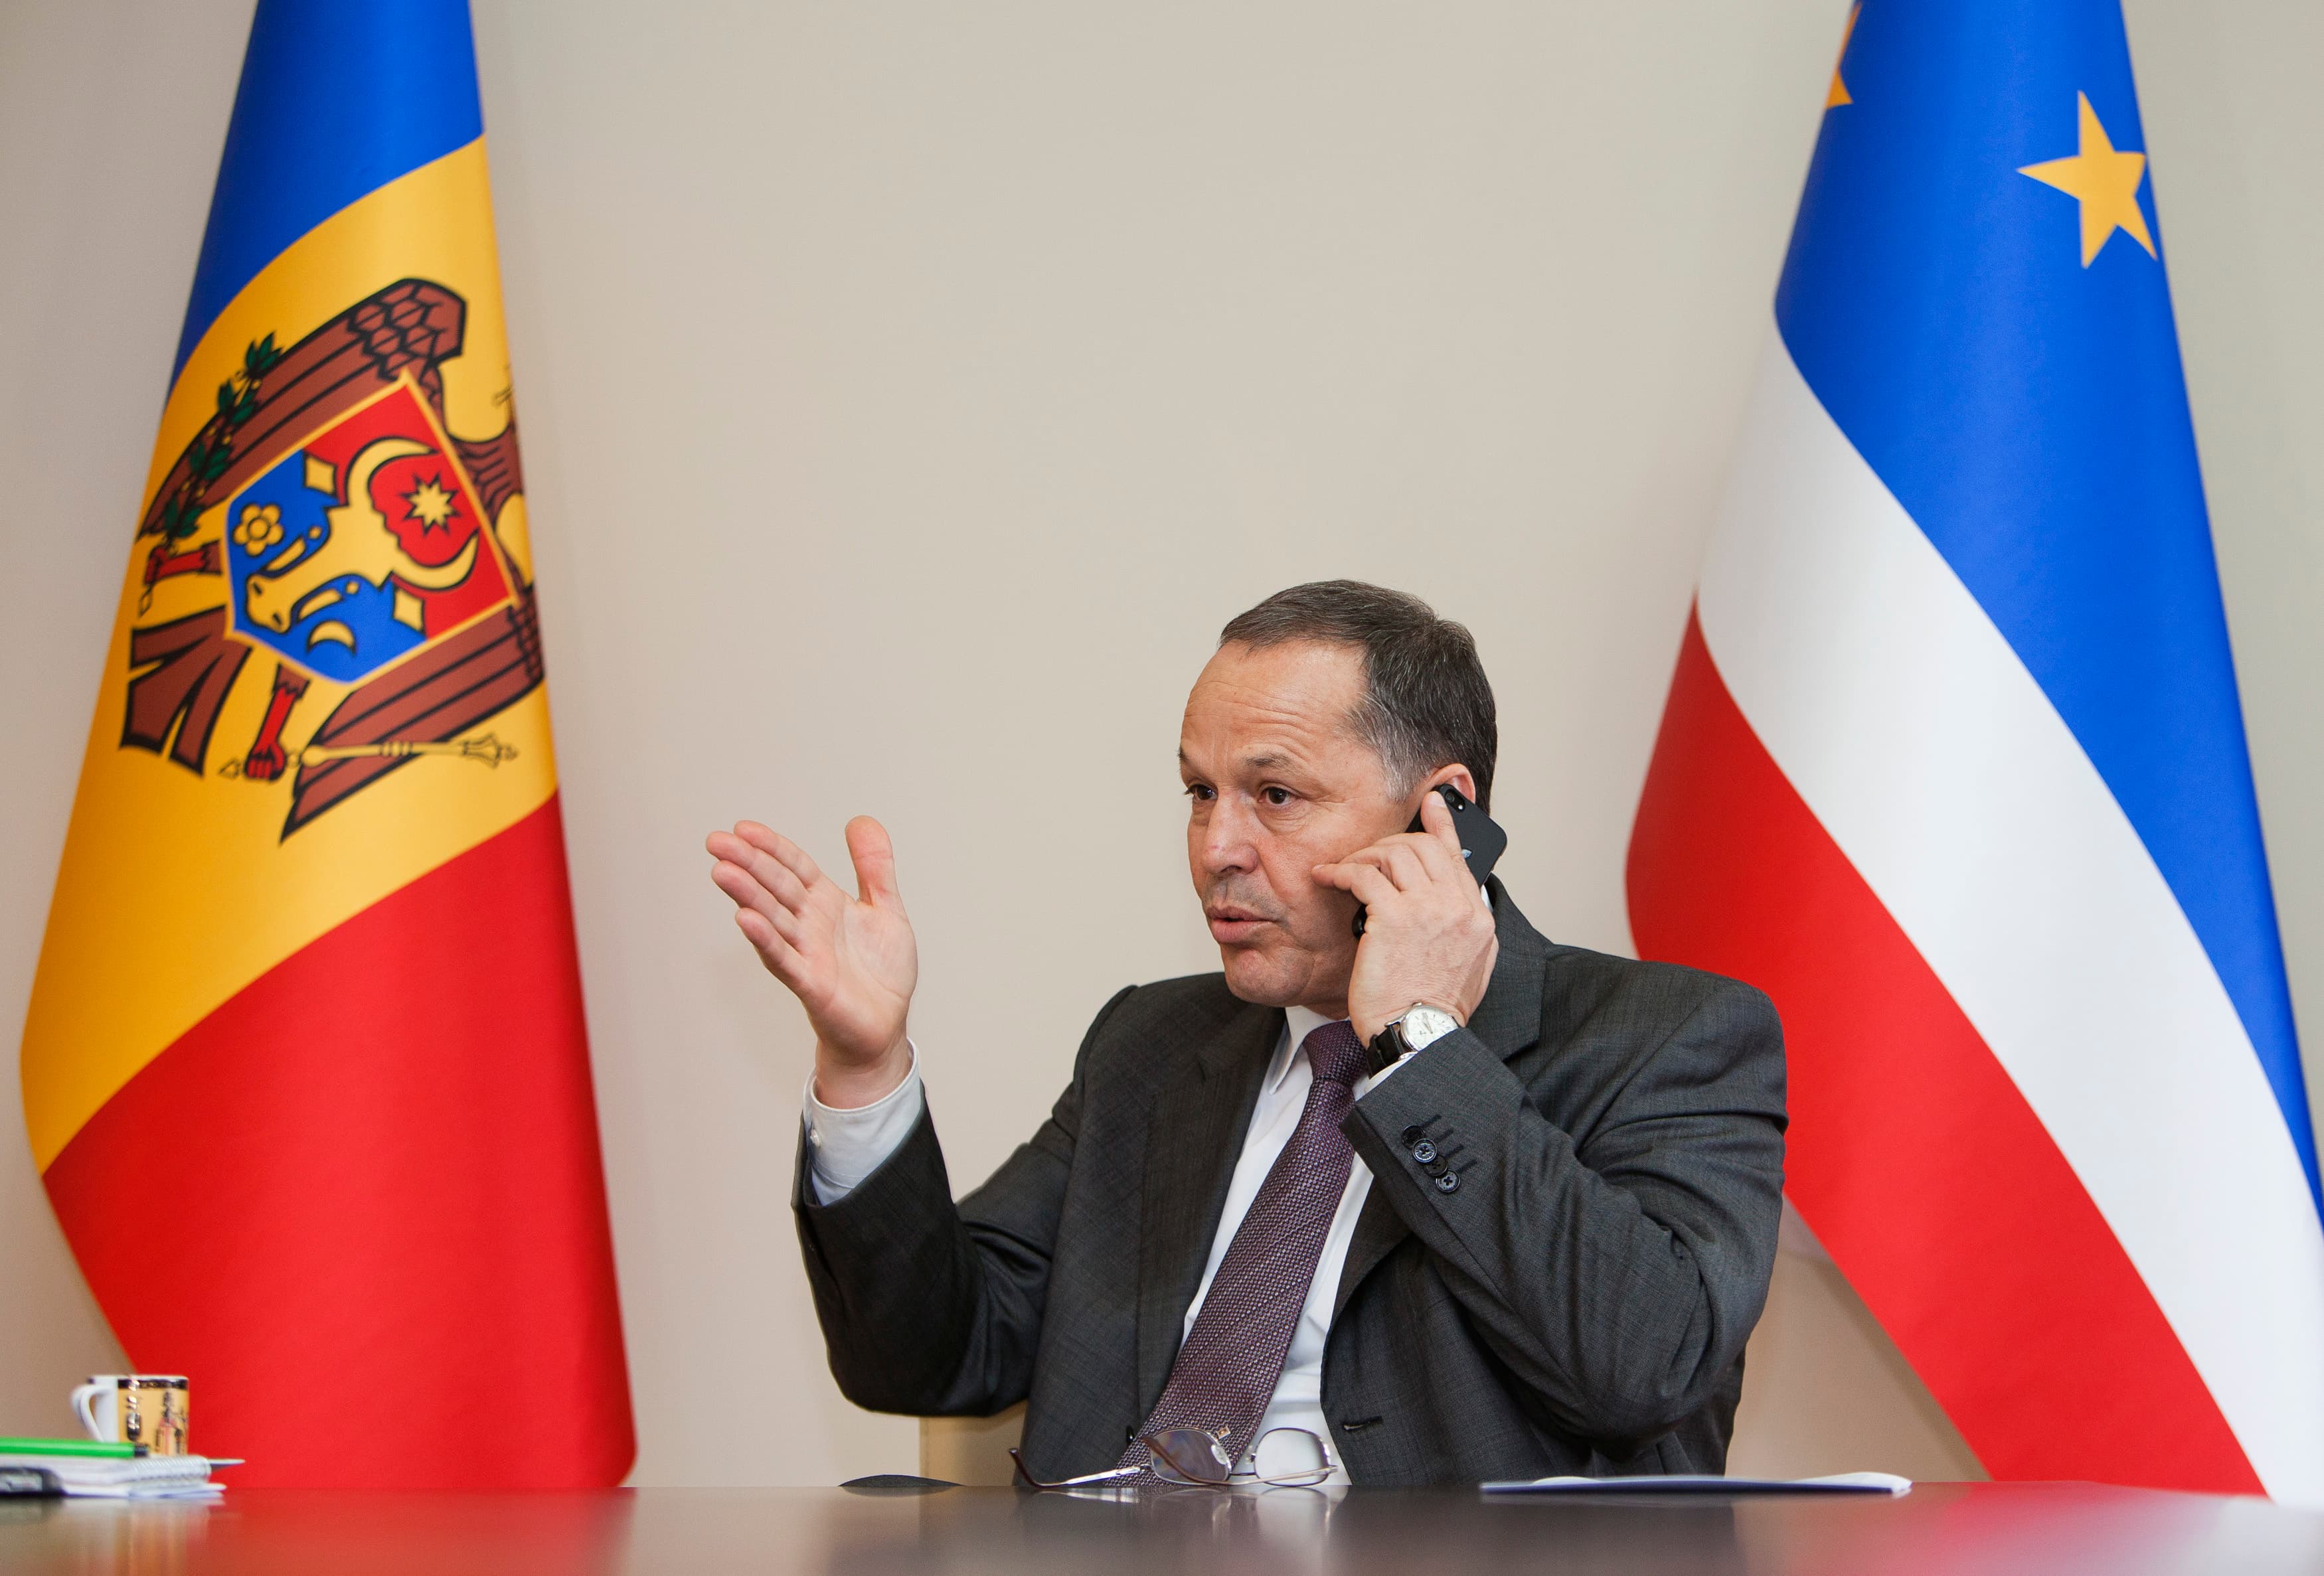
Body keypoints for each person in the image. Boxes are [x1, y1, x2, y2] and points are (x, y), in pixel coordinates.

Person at [707, 580, 1785, 1486]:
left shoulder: (1672, 1038)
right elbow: (929, 1357)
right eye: (1199, 791)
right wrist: (865, 1068)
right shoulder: (1151, 1043)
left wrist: (1420, 1047)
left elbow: (1644, 1368)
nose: (1216, 846)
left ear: (1442, 817)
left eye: (1274, 794)